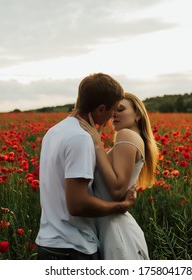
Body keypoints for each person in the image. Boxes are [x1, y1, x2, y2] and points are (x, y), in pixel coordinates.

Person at [35, 73, 137, 260]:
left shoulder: (54, 131)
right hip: (73, 248)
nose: (112, 117)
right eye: (112, 110)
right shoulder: (80, 138)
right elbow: (77, 205)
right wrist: (120, 206)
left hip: (47, 244)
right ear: (101, 109)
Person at [78, 92, 159, 259]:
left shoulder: (126, 135)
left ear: (137, 115)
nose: (114, 114)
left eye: (120, 109)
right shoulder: (134, 138)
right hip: (114, 230)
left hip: (117, 233)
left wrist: (97, 143)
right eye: (113, 109)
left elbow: (117, 190)